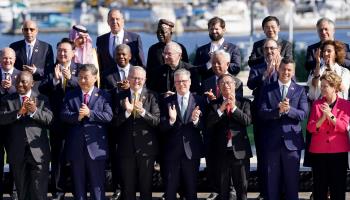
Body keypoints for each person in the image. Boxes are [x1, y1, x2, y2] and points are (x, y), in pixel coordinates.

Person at [60, 64, 113, 200]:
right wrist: (77, 116)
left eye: (86, 77)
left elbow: (108, 116)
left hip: (96, 149)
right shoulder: (70, 95)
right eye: (80, 77)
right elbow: (63, 114)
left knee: (97, 186)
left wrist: (90, 113)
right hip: (76, 148)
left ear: (95, 78)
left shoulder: (104, 95)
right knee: (78, 186)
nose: (82, 80)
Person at [259, 58, 308, 200]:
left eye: (289, 70)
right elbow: (261, 113)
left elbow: (303, 114)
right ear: (278, 69)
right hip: (272, 143)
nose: (286, 72)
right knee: (272, 183)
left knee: (292, 183)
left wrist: (288, 110)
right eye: (283, 69)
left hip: (292, 143)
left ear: (293, 72)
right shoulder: (267, 88)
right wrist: (277, 111)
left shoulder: (299, 90)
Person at [0, 71, 53, 200]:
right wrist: (17, 113)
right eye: (17, 81)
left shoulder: (42, 99)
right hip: (17, 152)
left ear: (32, 83)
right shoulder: (7, 100)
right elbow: (1, 118)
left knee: (39, 191)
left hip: (38, 152)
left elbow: (50, 119)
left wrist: (35, 111)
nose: (20, 84)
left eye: (24, 81)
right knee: (21, 190)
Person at [38, 38, 80, 200]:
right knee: (57, 157)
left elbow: (87, 86)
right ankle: (58, 191)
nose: (62, 53)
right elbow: (41, 89)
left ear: (73, 53)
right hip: (56, 121)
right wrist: (55, 80)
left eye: (65, 50)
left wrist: (71, 79)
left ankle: (78, 191)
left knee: (76, 157)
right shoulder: (50, 69)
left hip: (76, 120)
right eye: (60, 50)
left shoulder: (79, 69)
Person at [201, 50, 243, 200]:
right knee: (213, 162)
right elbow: (203, 107)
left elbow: (236, 103)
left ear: (227, 64)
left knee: (229, 164)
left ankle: (230, 190)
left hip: (228, 130)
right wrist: (211, 102)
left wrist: (218, 100)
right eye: (213, 63)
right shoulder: (206, 81)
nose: (216, 65)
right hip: (212, 128)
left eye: (219, 62)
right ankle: (216, 189)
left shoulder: (236, 82)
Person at [112, 66, 160, 200]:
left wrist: (143, 112)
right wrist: (127, 112)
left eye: (140, 78)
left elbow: (156, 121)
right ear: (128, 78)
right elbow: (114, 122)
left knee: (146, 188)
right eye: (133, 77)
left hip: (146, 150)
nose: (136, 81)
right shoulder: (120, 96)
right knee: (128, 189)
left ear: (145, 80)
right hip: (126, 149)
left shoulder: (152, 96)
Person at [159, 68, 205, 200]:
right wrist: (171, 120)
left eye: (184, 81)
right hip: (171, 152)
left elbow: (206, 126)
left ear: (190, 82)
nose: (181, 84)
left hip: (191, 152)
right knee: (170, 190)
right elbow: (161, 127)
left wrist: (196, 120)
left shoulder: (199, 100)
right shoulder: (166, 102)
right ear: (174, 83)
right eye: (178, 81)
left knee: (191, 190)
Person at [206, 74, 252, 200]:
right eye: (222, 83)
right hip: (221, 152)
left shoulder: (244, 102)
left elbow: (247, 121)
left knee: (242, 188)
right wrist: (221, 109)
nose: (226, 86)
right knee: (223, 189)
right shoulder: (213, 105)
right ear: (218, 87)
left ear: (235, 85)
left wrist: (234, 108)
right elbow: (208, 123)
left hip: (240, 151)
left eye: (229, 83)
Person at [246, 38, 282, 199]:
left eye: (272, 48)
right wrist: (264, 74)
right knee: (263, 155)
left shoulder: (285, 67)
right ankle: (264, 191)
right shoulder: (257, 67)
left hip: (281, 117)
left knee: (281, 155)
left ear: (278, 49)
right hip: (262, 117)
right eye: (266, 49)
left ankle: (281, 190)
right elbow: (250, 85)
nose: (269, 51)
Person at [307, 71, 350, 200]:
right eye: (322, 85)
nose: (322, 88)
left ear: (334, 88)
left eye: (326, 86)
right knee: (320, 189)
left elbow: (343, 127)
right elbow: (310, 127)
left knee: (338, 188)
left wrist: (331, 116)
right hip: (319, 152)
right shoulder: (316, 104)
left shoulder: (346, 105)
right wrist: (322, 118)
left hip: (338, 152)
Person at [96, 8, 145, 74]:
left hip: (129, 80)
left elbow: (141, 63)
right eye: (112, 19)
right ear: (108, 22)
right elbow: (99, 64)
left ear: (123, 21)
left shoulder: (134, 38)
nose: (114, 22)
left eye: (117, 19)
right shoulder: (101, 40)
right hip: (107, 82)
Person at [0, 47, 21, 200]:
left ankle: (15, 192)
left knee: (15, 158)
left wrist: (12, 88)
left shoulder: (21, 75)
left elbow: (25, 96)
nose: (7, 61)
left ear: (14, 60)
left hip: (15, 124)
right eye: (4, 58)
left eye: (10, 58)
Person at [9, 20, 54, 90]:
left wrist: (36, 71)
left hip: (39, 88)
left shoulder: (46, 47)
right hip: (19, 87)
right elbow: (10, 67)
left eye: (32, 29)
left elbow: (50, 71)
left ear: (36, 31)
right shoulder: (14, 47)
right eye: (26, 29)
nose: (29, 32)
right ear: (22, 31)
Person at [146, 19, 189, 83]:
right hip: (158, 86)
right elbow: (149, 71)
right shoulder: (153, 49)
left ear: (170, 33)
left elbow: (186, 68)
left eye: (163, 32)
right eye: (158, 32)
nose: (160, 34)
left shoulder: (180, 48)